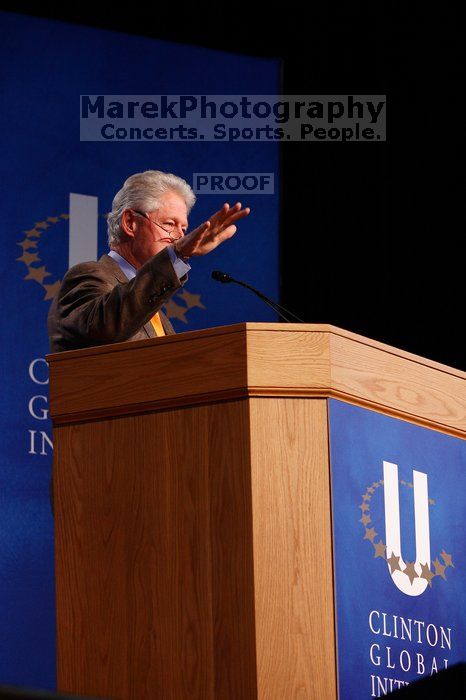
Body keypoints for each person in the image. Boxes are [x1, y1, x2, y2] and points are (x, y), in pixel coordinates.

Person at [48, 170, 250, 352]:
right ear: (130, 223)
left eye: (184, 229)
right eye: (170, 224)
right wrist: (177, 255)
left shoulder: (154, 310)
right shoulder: (88, 276)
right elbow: (106, 328)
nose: (178, 236)